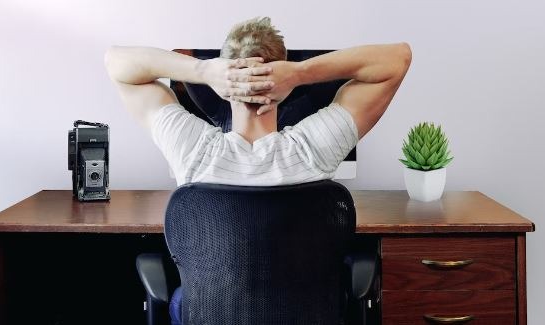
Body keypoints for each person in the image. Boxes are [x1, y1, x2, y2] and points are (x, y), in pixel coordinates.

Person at [104, 17, 411, 324]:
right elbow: (398, 59)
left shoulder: (192, 150)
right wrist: (300, 73)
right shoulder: (313, 149)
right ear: (284, 78)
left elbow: (116, 62)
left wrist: (204, 71)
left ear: (223, 84)